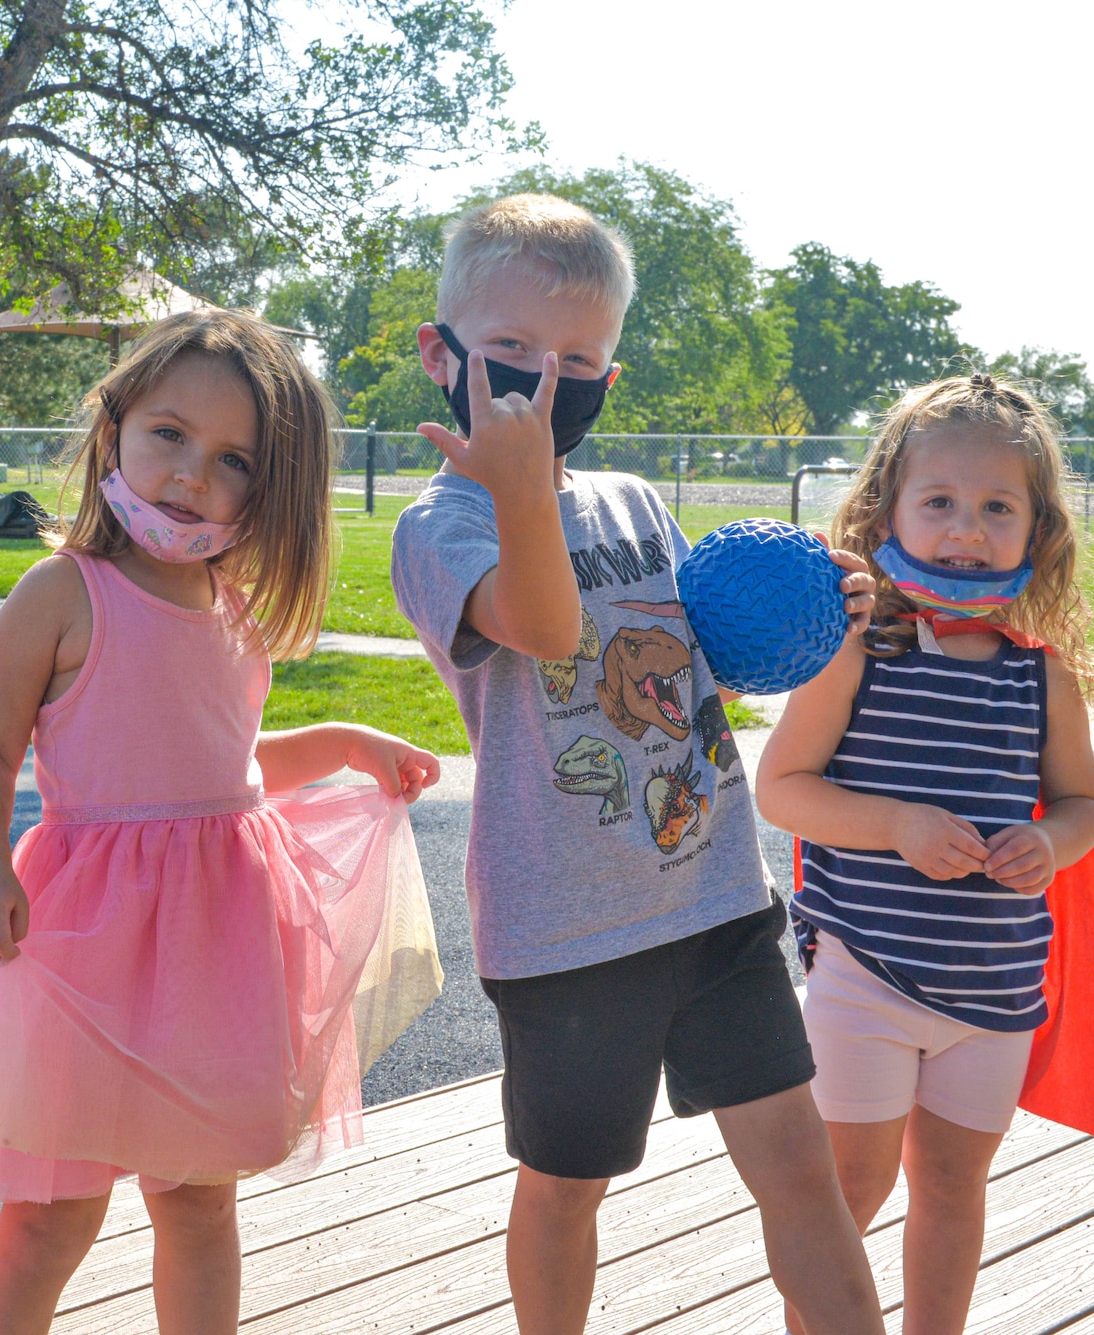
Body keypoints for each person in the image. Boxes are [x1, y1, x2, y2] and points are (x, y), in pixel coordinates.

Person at [389, 194, 887, 1334]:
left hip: (715, 901)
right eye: (509, 353)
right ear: (441, 355)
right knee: (567, 1191)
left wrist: (814, 601)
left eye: (575, 361)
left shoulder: (630, 500)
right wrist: (519, 490)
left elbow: (703, 653)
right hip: (565, 932)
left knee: (800, 1173)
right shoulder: (438, 529)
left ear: (605, 383)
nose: (541, 381)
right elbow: (548, 627)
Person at [0, 308, 445, 1334]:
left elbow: (225, 766)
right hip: (83, 941)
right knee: (51, 1214)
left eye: (232, 461)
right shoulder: (59, 593)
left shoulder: (235, 605)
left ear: (271, 489)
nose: (188, 474)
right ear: (116, 423)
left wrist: (345, 740)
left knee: (199, 1199)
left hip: (216, 945)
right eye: (167, 434)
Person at [757, 373, 1094, 1335]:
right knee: (846, 1193)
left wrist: (1050, 838)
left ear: (1037, 530)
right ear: (889, 511)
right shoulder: (858, 646)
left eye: (998, 506)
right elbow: (782, 789)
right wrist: (901, 823)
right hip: (866, 973)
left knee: (955, 1188)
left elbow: (1084, 804)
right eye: (940, 501)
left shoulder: (1044, 675)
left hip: (994, 991)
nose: (967, 527)